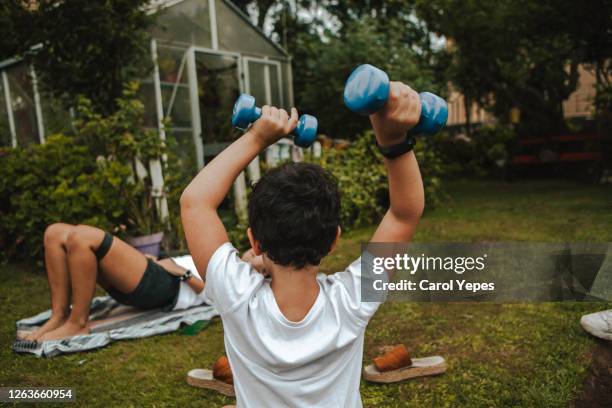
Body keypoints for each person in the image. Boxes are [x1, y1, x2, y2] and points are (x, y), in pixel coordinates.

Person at [180, 80, 424, 406]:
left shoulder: (236, 294)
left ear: (254, 240)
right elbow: (404, 215)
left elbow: (196, 201)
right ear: (334, 241)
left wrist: (257, 136)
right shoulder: (352, 300)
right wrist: (394, 141)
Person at [23, 223, 265, 342]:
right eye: (254, 251)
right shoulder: (229, 259)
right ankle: (59, 316)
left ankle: (78, 322)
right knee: (54, 233)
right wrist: (160, 261)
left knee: (82, 237)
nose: (251, 254)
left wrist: (181, 272)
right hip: (155, 273)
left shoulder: (244, 277)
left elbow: (215, 298)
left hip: (166, 287)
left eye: (258, 258)